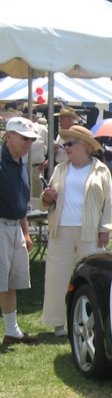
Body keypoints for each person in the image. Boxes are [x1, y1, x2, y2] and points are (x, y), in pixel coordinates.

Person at [40, 126, 112, 337]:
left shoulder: (101, 170)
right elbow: (46, 202)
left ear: (85, 146)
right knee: (57, 275)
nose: (66, 148)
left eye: (70, 144)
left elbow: (109, 203)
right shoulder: (60, 169)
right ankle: (58, 323)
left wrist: (105, 229)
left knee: (88, 276)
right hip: (61, 228)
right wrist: (47, 197)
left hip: (89, 230)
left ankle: (89, 318)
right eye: (65, 144)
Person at [0, 117, 39, 344]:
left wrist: (25, 232)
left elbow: (21, 202)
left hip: (15, 228)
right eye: (25, 138)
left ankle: (12, 331)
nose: (29, 143)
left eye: (32, 140)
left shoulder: (21, 163)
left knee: (11, 282)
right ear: (10, 136)